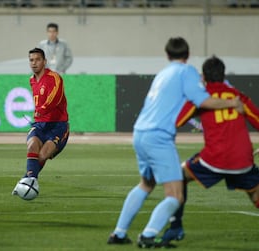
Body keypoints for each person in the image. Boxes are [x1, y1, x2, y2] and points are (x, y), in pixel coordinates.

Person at [107, 38, 243, 248]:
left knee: (146, 183)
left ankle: (118, 233)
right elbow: (203, 100)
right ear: (187, 56)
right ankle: (148, 236)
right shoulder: (186, 72)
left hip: (140, 132)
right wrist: (232, 103)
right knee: (176, 195)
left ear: (167, 55)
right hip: (158, 136)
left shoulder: (163, 73)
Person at [161, 55, 259, 243]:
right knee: (255, 193)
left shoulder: (202, 97)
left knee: (179, 176)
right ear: (223, 76)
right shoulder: (239, 97)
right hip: (242, 160)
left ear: (203, 77)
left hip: (213, 159)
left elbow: (179, 121)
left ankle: (175, 228)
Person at [12, 48, 69, 192]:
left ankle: (26, 181)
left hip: (58, 126)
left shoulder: (54, 78)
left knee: (43, 155)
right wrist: (39, 115)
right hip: (40, 124)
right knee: (32, 146)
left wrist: (41, 110)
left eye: (37, 60)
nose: (34, 63)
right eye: (31, 60)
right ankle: (29, 183)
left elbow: (55, 99)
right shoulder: (32, 80)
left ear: (44, 62)